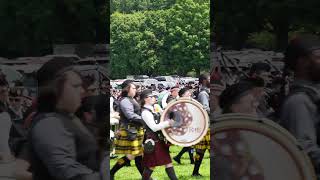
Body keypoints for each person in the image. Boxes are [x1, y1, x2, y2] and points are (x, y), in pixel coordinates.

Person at [29, 59, 102, 180]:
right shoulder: (49, 124)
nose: (82, 91)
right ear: (55, 89)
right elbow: (68, 171)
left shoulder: (69, 117)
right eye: (75, 86)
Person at [280, 34, 320, 175]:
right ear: (301, 62)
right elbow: (305, 150)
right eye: (318, 57)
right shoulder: (298, 101)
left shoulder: (314, 94)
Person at [140, 89, 179, 180]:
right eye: (152, 97)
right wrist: (168, 123)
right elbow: (154, 127)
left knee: (167, 162)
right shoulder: (145, 112)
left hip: (158, 139)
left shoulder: (153, 109)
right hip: (153, 141)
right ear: (146, 99)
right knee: (151, 165)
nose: (154, 98)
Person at [110, 80, 144, 179]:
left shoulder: (131, 99)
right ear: (127, 89)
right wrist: (144, 119)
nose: (135, 90)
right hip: (130, 131)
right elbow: (130, 115)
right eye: (133, 88)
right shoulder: (125, 100)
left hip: (134, 130)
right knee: (131, 156)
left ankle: (145, 177)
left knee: (138, 156)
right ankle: (111, 173)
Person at [192, 74, 210, 176]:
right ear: (203, 81)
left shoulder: (205, 92)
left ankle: (195, 172)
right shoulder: (204, 94)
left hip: (204, 126)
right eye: (209, 79)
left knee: (200, 150)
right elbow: (205, 108)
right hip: (208, 126)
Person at [173, 87, 194, 165]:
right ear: (182, 95)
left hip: (188, 124)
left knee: (190, 143)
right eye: (187, 93)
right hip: (183, 125)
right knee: (190, 143)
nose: (189, 94)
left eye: (189, 92)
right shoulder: (179, 103)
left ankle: (179, 157)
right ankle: (190, 160)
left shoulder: (188, 101)